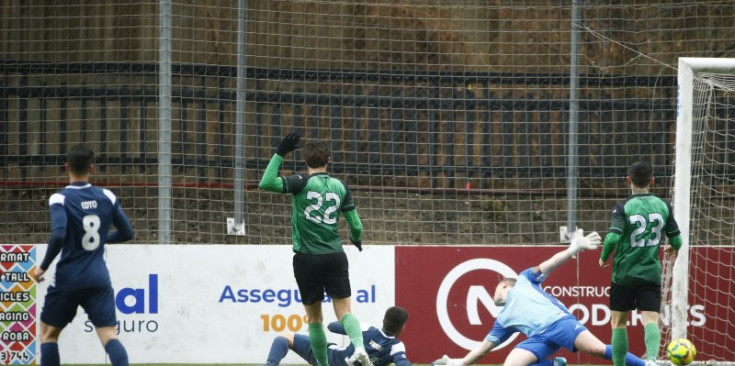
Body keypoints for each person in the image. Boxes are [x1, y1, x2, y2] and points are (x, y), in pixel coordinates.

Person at [434, 230, 649, 366]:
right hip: (539, 338)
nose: (492, 295)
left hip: (558, 322)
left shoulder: (524, 279)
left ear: (505, 285)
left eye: (495, 289)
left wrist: (573, 248)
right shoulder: (502, 321)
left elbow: (551, 262)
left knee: (596, 349)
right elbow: (482, 349)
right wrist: (458, 362)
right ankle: (556, 364)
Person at [258, 132, 370, 366]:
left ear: (306, 162)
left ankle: (323, 365)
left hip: (307, 258)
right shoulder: (340, 186)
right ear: (329, 159)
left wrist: (280, 152)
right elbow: (356, 225)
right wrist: (355, 239)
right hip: (335, 256)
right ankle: (359, 346)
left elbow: (266, 183)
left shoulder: (300, 181)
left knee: (315, 319)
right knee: (345, 313)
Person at [31, 144, 134, 366]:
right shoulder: (107, 196)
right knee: (109, 336)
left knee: (49, 335)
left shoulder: (60, 199)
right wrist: (100, 239)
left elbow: (59, 235)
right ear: (92, 168)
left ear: (66, 167)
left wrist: (43, 266)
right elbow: (128, 232)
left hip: (68, 278)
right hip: (98, 278)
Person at [598, 160, 683, 366]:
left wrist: (604, 257)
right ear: (652, 181)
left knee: (618, 323)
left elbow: (612, 238)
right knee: (651, 320)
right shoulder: (663, 206)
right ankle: (652, 360)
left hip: (624, 274)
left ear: (628, 181)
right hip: (650, 273)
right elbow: (677, 239)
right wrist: (674, 247)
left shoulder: (623, 207)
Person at [266, 306, 411, 366]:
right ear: (402, 328)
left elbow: (331, 326)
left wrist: (349, 324)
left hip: (330, 359)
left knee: (284, 338)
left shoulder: (365, 329)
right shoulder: (396, 346)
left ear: (383, 320)